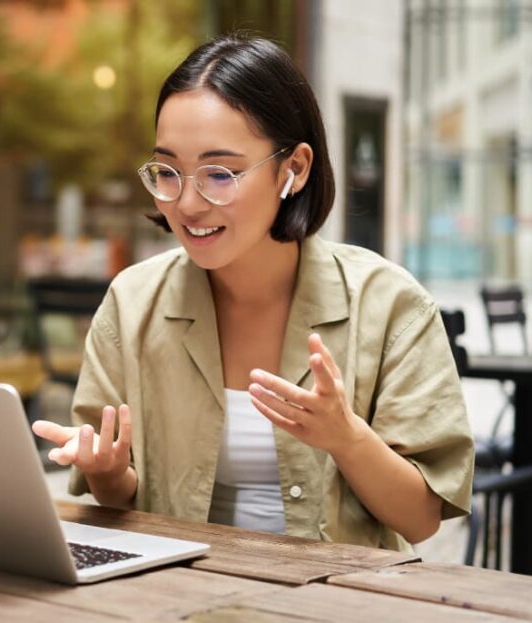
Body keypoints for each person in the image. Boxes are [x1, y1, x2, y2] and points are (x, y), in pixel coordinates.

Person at [32, 34, 473, 550]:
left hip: (335, 590)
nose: (188, 204)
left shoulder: (391, 305)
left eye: (220, 174)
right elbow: (118, 503)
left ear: (295, 169)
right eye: (168, 172)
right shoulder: (132, 304)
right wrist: (107, 472)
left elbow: (421, 520)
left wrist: (346, 438)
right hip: (177, 585)